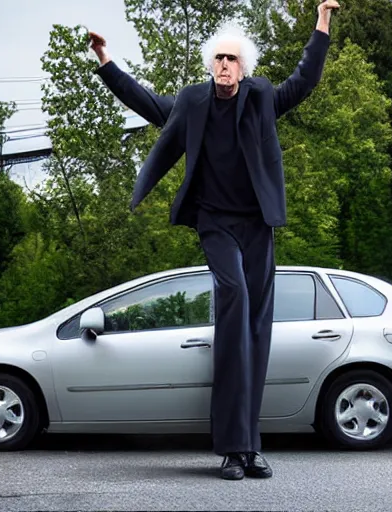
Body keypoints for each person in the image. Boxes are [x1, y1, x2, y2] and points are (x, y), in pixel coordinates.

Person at [89, 0, 339, 480]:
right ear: (212, 65)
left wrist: (321, 25)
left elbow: (304, 81)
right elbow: (147, 103)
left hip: (256, 224)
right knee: (235, 299)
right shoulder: (192, 102)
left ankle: (249, 448)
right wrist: (106, 61)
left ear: (243, 68)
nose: (225, 66)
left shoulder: (263, 97)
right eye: (218, 59)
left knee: (255, 331)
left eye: (233, 59)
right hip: (215, 223)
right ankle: (230, 447)